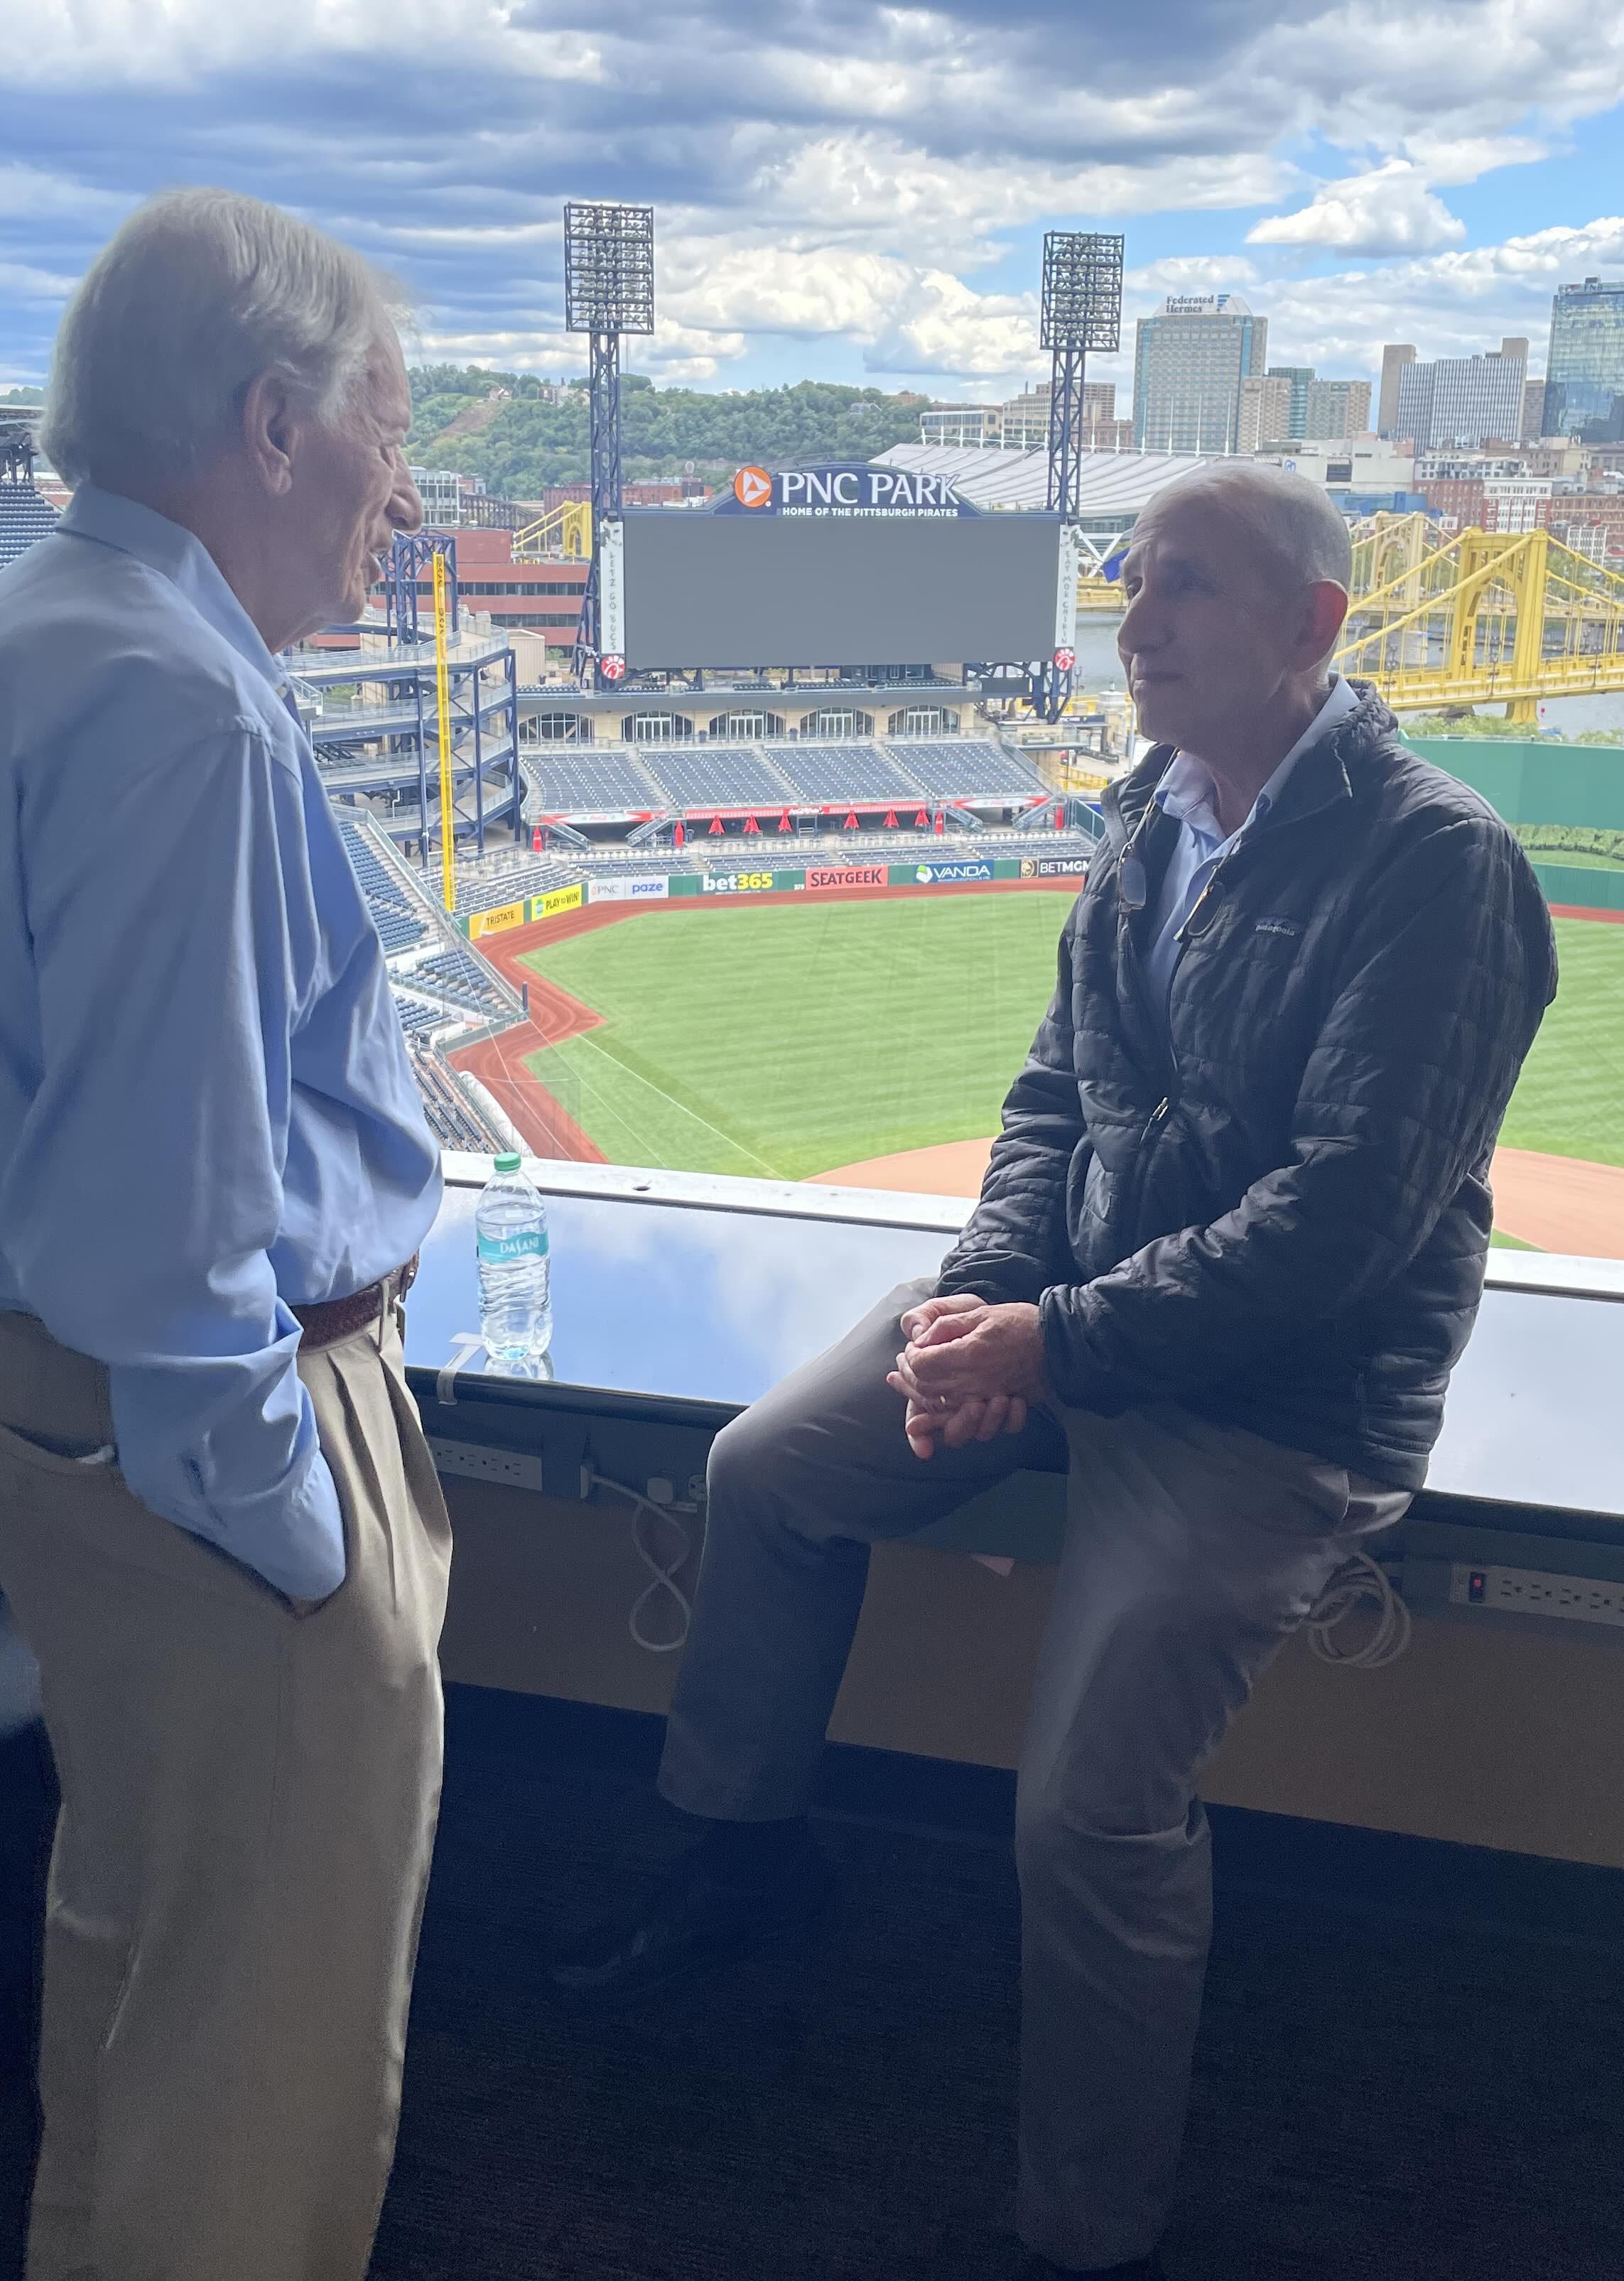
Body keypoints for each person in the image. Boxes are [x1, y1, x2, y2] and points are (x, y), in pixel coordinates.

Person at [550, 465, 1558, 2280]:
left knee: (1085, 1804)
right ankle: (745, 1862)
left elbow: (1342, 1219)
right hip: (1068, 1314)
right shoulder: (1146, 816)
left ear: (1315, 625)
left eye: (1186, 587)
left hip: (1278, 1395)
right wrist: (985, 1302)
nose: (1135, 621)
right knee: (765, 1469)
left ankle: (1082, 2229)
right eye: (1128, 583)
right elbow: (1044, 1098)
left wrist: (1052, 1338)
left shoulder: (1438, 863)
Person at [0, 190, 449, 2281]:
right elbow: (173, 1205)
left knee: (140, 1961)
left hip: (49, 1394)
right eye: (388, 434)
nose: (403, 491)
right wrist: (296, 1537)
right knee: (263, 2051)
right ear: (273, 424)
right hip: (206, 1433)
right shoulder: (179, 702)